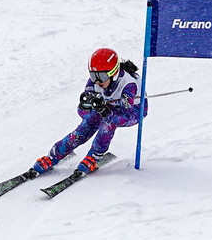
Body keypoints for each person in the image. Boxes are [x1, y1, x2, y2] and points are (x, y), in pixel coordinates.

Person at [32, 47, 145, 175]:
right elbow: (83, 114)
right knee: (86, 126)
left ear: (113, 73)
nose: (97, 80)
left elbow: (125, 110)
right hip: (108, 107)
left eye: (101, 76)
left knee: (109, 123)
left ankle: (95, 156)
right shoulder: (95, 82)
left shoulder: (129, 84)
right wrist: (85, 106)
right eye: (93, 75)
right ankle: (54, 155)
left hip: (133, 111)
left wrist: (105, 110)